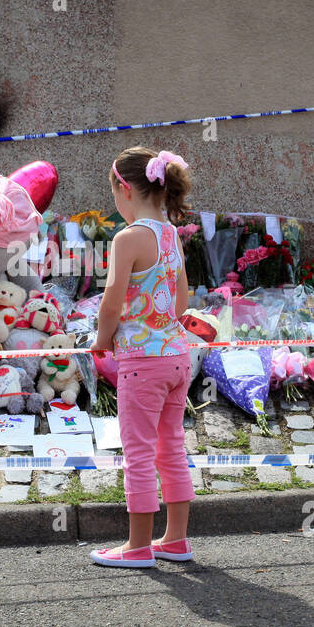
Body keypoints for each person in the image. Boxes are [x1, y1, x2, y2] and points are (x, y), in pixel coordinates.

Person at [90, 146, 195, 567]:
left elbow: (111, 302)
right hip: (176, 357)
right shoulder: (171, 235)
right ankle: (175, 539)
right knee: (171, 447)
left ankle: (136, 547)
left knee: (137, 450)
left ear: (124, 189)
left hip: (141, 364)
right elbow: (182, 301)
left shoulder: (127, 239)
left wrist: (101, 339)